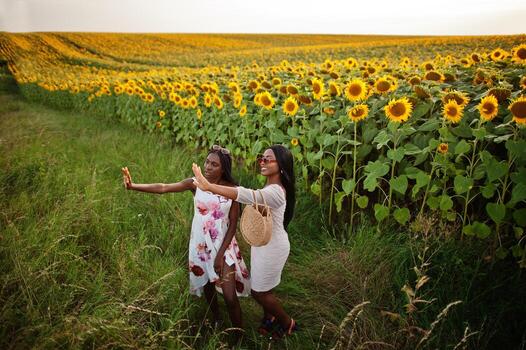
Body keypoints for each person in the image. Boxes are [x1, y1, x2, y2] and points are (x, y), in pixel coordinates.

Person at [121, 145, 250, 334]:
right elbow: (163, 188)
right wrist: (133, 186)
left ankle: (239, 337)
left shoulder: (232, 190)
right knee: (207, 285)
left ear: (224, 169)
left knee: (230, 297)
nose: (208, 166)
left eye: (214, 164)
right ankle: (216, 319)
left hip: (223, 245)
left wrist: (220, 254)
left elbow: (232, 224)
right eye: (207, 161)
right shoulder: (195, 182)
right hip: (200, 244)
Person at [191, 144, 298, 339]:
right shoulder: (271, 185)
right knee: (265, 287)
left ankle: (287, 322)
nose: (262, 162)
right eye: (261, 158)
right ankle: (270, 317)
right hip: (261, 245)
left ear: (281, 164)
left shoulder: (275, 191)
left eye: (268, 159)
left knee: (259, 292)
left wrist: (210, 186)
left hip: (273, 248)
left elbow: (247, 195)